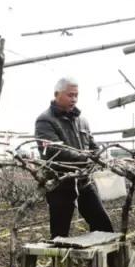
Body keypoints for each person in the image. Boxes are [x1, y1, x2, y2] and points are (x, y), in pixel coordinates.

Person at [35, 77, 114, 238]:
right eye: (70, 95)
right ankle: (58, 263)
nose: (74, 99)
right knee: (59, 235)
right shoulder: (45, 120)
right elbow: (54, 151)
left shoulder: (82, 121)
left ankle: (107, 263)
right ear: (57, 94)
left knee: (103, 227)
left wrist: (99, 155)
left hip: (84, 182)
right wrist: (88, 158)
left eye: (76, 95)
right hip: (60, 184)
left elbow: (93, 146)